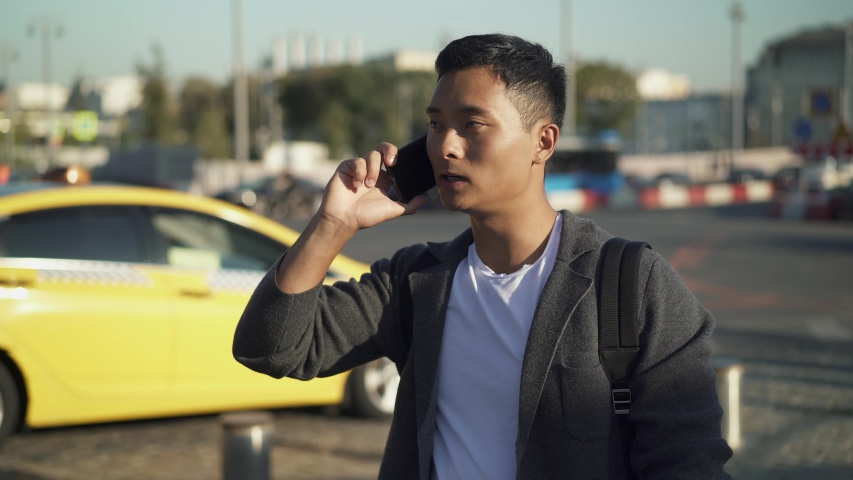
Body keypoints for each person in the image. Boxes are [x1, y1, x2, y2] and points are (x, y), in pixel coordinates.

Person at [233, 33, 733, 479]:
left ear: (544, 141)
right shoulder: (417, 281)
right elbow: (271, 348)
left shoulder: (630, 284)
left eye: (472, 124)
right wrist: (333, 224)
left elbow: (688, 461)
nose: (445, 146)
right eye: (434, 124)